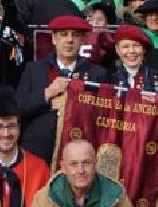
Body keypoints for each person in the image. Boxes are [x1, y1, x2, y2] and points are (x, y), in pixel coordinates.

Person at [16, 16, 107, 162]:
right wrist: (47, 94)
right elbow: (18, 108)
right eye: (63, 34)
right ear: (54, 39)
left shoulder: (97, 73)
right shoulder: (33, 69)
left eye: (75, 35)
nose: (69, 40)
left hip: (79, 154)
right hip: (37, 150)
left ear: (83, 40)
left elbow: (103, 115)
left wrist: (72, 106)